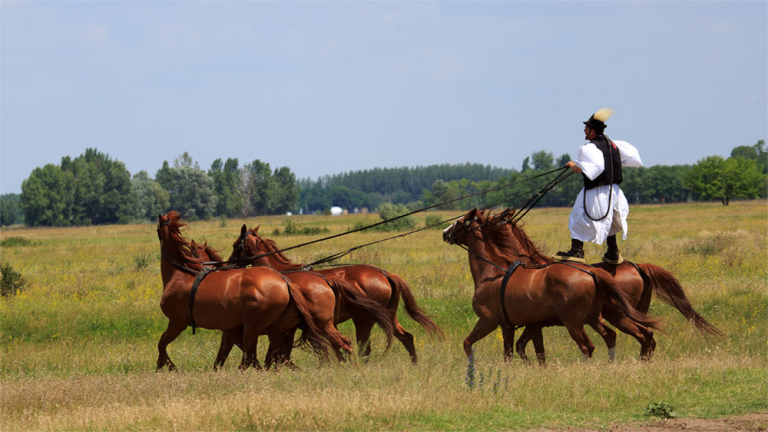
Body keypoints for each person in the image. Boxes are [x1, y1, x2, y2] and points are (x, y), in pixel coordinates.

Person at [555, 108, 643, 265]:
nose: (584, 130)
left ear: (592, 131)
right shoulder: (614, 145)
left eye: (586, 128)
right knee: (609, 219)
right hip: (614, 191)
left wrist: (572, 164)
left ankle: (577, 251)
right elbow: (632, 158)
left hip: (596, 191)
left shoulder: (589, 148)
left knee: (577, 216)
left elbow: (592, 168)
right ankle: (613, 251)